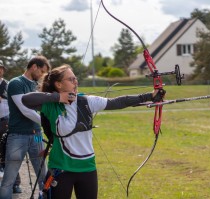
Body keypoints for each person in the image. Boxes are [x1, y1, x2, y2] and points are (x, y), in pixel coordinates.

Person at [21, 64, 165, 199]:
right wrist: (58, 97)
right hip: (61, 168)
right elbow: (26, 100)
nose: (75, 82)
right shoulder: (51, 106)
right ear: (59, 84)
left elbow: (118, 102)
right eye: (71, 79)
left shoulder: (86, 101)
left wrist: (150, 96)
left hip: (87, 167)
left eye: (75, 78)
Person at [0, 56, 51, 199]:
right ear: (33, 66)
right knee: (9, 180)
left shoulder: (35, 85)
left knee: (43, 175)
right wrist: (47, 122)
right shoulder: (16, 83)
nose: (42, 76)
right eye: (41, 71)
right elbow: (25, 110)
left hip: (36, 135)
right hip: (18, 135)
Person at [0, 60, 22, 194]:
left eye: (1, 68)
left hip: (6, 121)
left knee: (10, 152)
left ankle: (15, 183)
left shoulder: (9, 85)